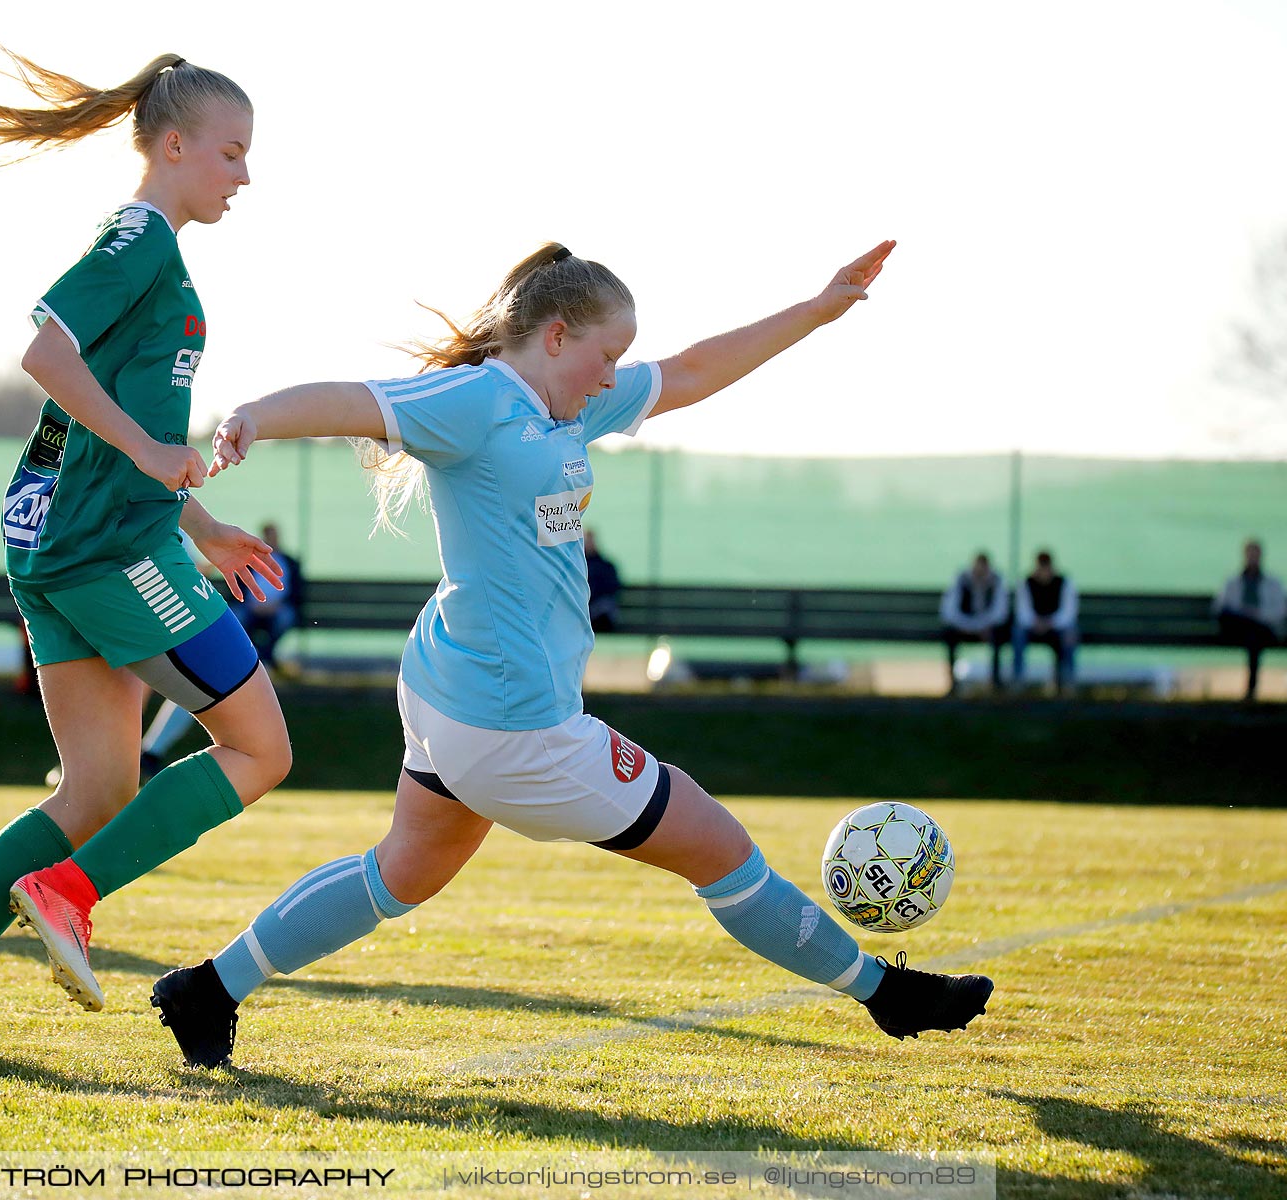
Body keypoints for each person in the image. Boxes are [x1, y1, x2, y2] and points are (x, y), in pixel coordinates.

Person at [149, 239, 994, 1069]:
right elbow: (353, 400)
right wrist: (254, 416)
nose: (611, 375)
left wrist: (817, 309)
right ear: (555, 335)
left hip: (452, 692)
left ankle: (207, 991)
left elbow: (694, 372)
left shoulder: (570, 403)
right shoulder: (479, 401)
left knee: (398, 875)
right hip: (516, 730)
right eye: (605, 354)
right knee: (719, 847)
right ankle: (889, 998)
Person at [0, 49, 291, 1061]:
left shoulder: (155, 249)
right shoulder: (140, 235)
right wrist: (154, 456)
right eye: (232, 154)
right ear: (176, 145)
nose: (244, 176)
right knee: (262, 749)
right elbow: (45, 352)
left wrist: (197, 521)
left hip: (80, 546)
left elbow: (106, 426)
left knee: (97, 793)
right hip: (104, 553)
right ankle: (66, 893)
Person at [1213, 538, 1287, 700]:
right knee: (1248, 632)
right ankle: (1251, 691)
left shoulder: (1273, 583)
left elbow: (1281, 611)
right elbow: (1220, 609)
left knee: (1254, 637)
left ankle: (1251, 691)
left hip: (1263, 631)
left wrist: (1256, 614)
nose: (1252, 557)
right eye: (1250, 553)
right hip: (1241, 630)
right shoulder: (1232, 582)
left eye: (1255, 554)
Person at [232, 522, 303, 668]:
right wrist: (251, 604)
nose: (272, 540)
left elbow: (296, 592)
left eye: (274, 536)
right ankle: (259, 658)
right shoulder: (249, 561)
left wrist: (277, 605)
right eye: (268, 536)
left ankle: (263, 656)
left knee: (285, 618)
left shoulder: (289, 562)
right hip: (251, 607)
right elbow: (237, 588)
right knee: (237, 617)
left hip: (278, 608)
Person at [939, 551, 1010, 692]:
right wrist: (968, 626)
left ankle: (995, 681)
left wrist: (983, 627)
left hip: (987, 630)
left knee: (1000, 634)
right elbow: (949, 611)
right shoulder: (961, 579)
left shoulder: (996, 581)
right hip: (964, 628)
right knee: (950, 634)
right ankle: (953, 683)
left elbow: (1000, 612)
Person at [1013, 549, 1077, 692]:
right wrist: (1036, 622)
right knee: (1018, 633)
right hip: (1032, 627)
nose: (1043, 571)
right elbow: (1022, 613)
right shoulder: (1026, 583)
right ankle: (1018, 681)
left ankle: (1068, 682)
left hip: (1057, 627)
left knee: (1070, 633)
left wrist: (1050, 623)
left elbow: (1068, 614)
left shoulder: (1064, 583)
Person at [584, 526, 622, 632]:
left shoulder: (606, 565)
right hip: (585, 608)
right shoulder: (577, 567)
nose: (588, 543)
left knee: (603, 606)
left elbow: (612, 588)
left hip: (599, 611)